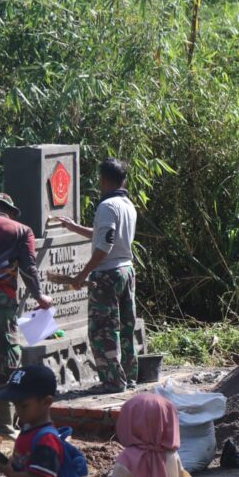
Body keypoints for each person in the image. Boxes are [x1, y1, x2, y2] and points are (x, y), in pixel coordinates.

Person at [54, 159, 138, 392]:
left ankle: (113, 381)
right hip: (126, 270)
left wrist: (82, 275)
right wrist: (74, 228)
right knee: (125, 327)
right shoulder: (127, 205)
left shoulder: (107, 206)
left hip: (108, 275)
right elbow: (106, 235)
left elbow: (104, 246)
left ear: (102, 180)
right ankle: (129, 377)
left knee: (102, 330)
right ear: (123, 180)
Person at [0, 193, 53, 437]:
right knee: (5, 357)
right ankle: (4, 423)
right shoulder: (21, 230)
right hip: (0, 305)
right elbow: (28, 268)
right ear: (11, 212)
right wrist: (40, 297)